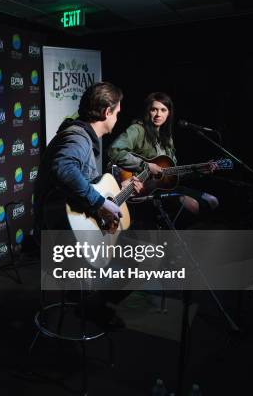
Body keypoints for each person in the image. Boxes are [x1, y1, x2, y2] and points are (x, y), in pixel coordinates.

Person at [34, 82, 142, 330]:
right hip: (60, 237)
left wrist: (118, 196)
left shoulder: (82, 136)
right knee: (143, 257)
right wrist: (99, 203)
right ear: (106, 112)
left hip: (64, 231)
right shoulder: (77, 137)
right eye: (116, 113)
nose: (117, 118)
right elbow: (63, 169)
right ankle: (91, 305)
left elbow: (92, 186)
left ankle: (87, 298)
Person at [108, 92, 219, 223]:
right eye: (154, 109)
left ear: (169, 113)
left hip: (160, 188)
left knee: (212, 201)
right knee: (192, 204)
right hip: (141, 189)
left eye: (163, 110)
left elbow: (172, 174)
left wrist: (200, 171)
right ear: (147, 111)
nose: (158, 114)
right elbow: (114, 150)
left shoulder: (167, 138)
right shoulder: (137, 129)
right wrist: (146, 165)